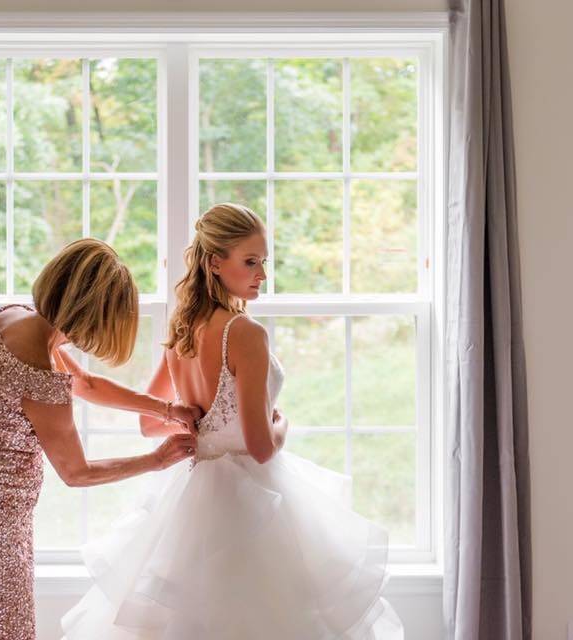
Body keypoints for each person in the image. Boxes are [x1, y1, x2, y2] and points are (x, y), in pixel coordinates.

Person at [61, 205, 404, 639]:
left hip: (193, 498)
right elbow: (261, 446)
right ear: (214, 263)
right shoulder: (245, 333)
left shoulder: (183, 329)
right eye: (250, 261)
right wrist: (283, 424)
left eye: (264, 262)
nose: (261, 273)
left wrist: (191, 425)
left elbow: (151, 425)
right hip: (252, 503)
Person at [0, 238, 201, 640]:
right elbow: (77, 472)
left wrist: (165, 409)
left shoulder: (14, 318)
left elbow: (86, 384)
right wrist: (155, 460)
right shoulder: (37, 372)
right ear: (90, 315)